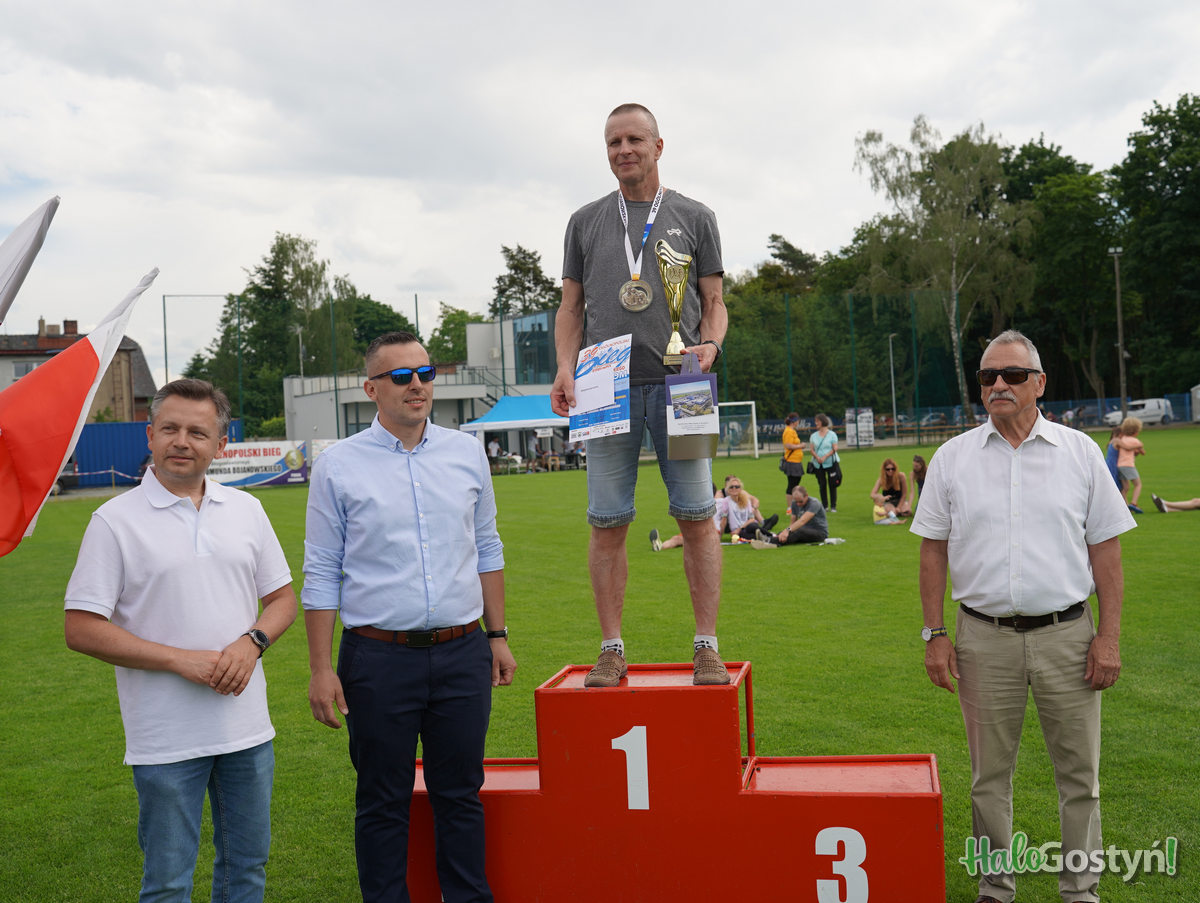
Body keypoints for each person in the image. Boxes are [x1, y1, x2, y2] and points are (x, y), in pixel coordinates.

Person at [912, 329, 1135, 903]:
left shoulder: (1080, 453)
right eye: (988, 376)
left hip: (1068, 635)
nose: (999, 385)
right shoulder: (952, 458)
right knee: (988, 778)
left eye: (1012, 375)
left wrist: (1108, 637)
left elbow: (1106, 551)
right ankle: (995, 886)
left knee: (1080, 776)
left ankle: (1080, 890)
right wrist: (935, 633)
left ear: (1040, 383)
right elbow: (932, 550)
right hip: (982, 638)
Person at [302, 331, 517, 903]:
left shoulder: (466, 452)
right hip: (376, 659)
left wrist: (496, 635)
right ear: (371, 388)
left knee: (461, 795)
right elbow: (321, 571)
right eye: (401, 376)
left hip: (462, 652)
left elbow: (487, 546)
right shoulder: (338, 466)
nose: (416, 385)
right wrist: (321, 668)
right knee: (382, 801)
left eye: (425, 373)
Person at [63, 378, 297, 903]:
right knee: (168, 882)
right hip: (165, 736)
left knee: (247, 870)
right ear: (150, 435)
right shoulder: (113, 521)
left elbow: (283, 600)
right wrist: (179, 661)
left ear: (221, 444)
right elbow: (80, 627)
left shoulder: (247, 510)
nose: (182, 442)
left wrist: (252, 642)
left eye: (198, 432)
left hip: (246, 729)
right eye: (170, 428)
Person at [550, 101, 729, 688]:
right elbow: (570, 308)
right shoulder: (584, 222)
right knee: (607, 522)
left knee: (698, 517)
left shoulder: (695, 216)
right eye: (613, 142)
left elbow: (715, 301)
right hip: (606, 386)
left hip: (685, 383)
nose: (623, 150)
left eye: (633, 139)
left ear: (658, 145)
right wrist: (564, 368)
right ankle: (611, 649)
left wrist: (711, 344)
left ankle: (706, 646)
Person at [756, 484, 827, 546]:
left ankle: (770, 541)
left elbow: (802, 521)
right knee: (786, 532)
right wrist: (785, 532)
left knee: (798, 531)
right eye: (796, 502)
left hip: (819, 532)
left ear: (806, 496)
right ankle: (770, 538)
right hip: (804, 530)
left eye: (801, 501)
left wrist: (787, 531)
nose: (798, 504)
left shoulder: (814, 503)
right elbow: (792, 522)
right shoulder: (794, 503)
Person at [716, 474, 778, 541]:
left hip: (747, 526)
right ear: (727, 488)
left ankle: (770, 535)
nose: (734, 488)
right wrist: (719, 537)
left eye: (737, 487)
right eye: (731, 487)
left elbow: (752, 518)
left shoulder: (745, 499)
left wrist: (740, 528)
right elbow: (723, 520)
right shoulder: (725, 501)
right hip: (737, 531)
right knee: (750, 536)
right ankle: (772, 538)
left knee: (752, 526)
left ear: (740, 489)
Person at [1113, 416, 1146, 514]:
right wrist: (1139, 448)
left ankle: (1125, 507)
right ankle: (1134, 503)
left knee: (1125, 488)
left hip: (1120, 465)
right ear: (1136, 431)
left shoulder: (1122, 439)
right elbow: (1142, 452)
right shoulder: (1135, 441)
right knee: (1138, 484)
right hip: (1128, 465)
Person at [808, 413, 840, 512]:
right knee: (822, 484)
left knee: (832, 484)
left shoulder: (832, 434)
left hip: (830, 462)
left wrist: (825, 456)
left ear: (822, 421)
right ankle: (824, 506)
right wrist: (817, 457)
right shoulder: (813, 436)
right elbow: (811, 449)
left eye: (817, 421)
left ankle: (833, 506)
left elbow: (835, 448)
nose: (815, 423)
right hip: (818, 463)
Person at [870, 457, 912, 523]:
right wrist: (881, 498)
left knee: (908, 512)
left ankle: (897, 511)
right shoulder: (881, 479)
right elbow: (872, 494)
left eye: (893, 469)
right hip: (889, 502)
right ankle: (893, 513)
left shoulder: (901, 476)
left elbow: (904, 494)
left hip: (900, 500)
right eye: (888, 469)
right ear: (884, 470)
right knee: (893, 513)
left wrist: (899, 507)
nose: (890, 471)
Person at [780, 412, 806, 506]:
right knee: (792, 485)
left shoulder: (792, 431)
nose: (798, 422)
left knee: (795, 484)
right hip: (792, 461)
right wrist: (801, 446)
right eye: (797, 420)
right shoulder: (788, 431)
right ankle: (790, 507)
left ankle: (794, 505)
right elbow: (788, 445)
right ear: (794, 421)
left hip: (796, 461)